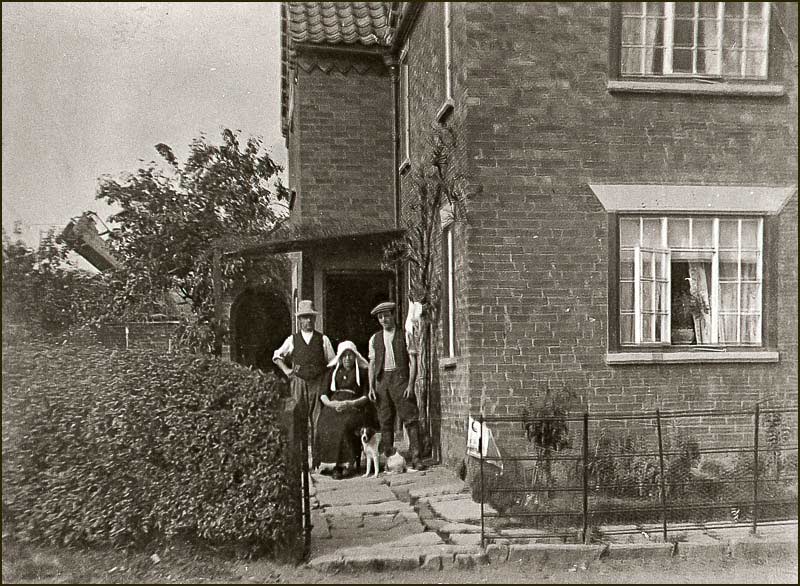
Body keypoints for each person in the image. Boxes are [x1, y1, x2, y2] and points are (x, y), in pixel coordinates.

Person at [273, 299, 335, 465]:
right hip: (299, 383)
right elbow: (277, 356)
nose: (308, 321)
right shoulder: (293, 339)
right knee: (299, 420)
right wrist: (287, 371)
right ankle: (300, 461)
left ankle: (316, 460)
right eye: (304, 317)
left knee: (317, 421)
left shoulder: (323, 339)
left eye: (310, 317)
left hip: (318, 383)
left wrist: (325, 381)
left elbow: (332, 362)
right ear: (299, 320)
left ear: (314, 319)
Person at [368, 301, 427, 472]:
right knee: (385, 421)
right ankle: (389, 459)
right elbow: (372, 364)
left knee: (410, 418)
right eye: (380, 317)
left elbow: (413, 361)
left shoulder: (405, 334)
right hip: (382, 381)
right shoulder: (375, 339)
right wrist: (372, 387)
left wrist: (410, 384)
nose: (384, 319)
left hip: (400, 378)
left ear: (393, 315)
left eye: (386, 315)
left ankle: (416, 457)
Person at [315, 341, 369, 479]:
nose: (347, 359)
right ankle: (332, 465)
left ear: (355, 356)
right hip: (334, 405)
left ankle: (346, 464)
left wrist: (350, 403)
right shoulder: (332, 372)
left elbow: (366, 396)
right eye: (344, 356)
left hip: (353, 407)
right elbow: (323, 395)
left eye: (350, 355)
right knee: (324, 424)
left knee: (343, 426)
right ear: (339, 357)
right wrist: (333, 404)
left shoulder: (362, 373)